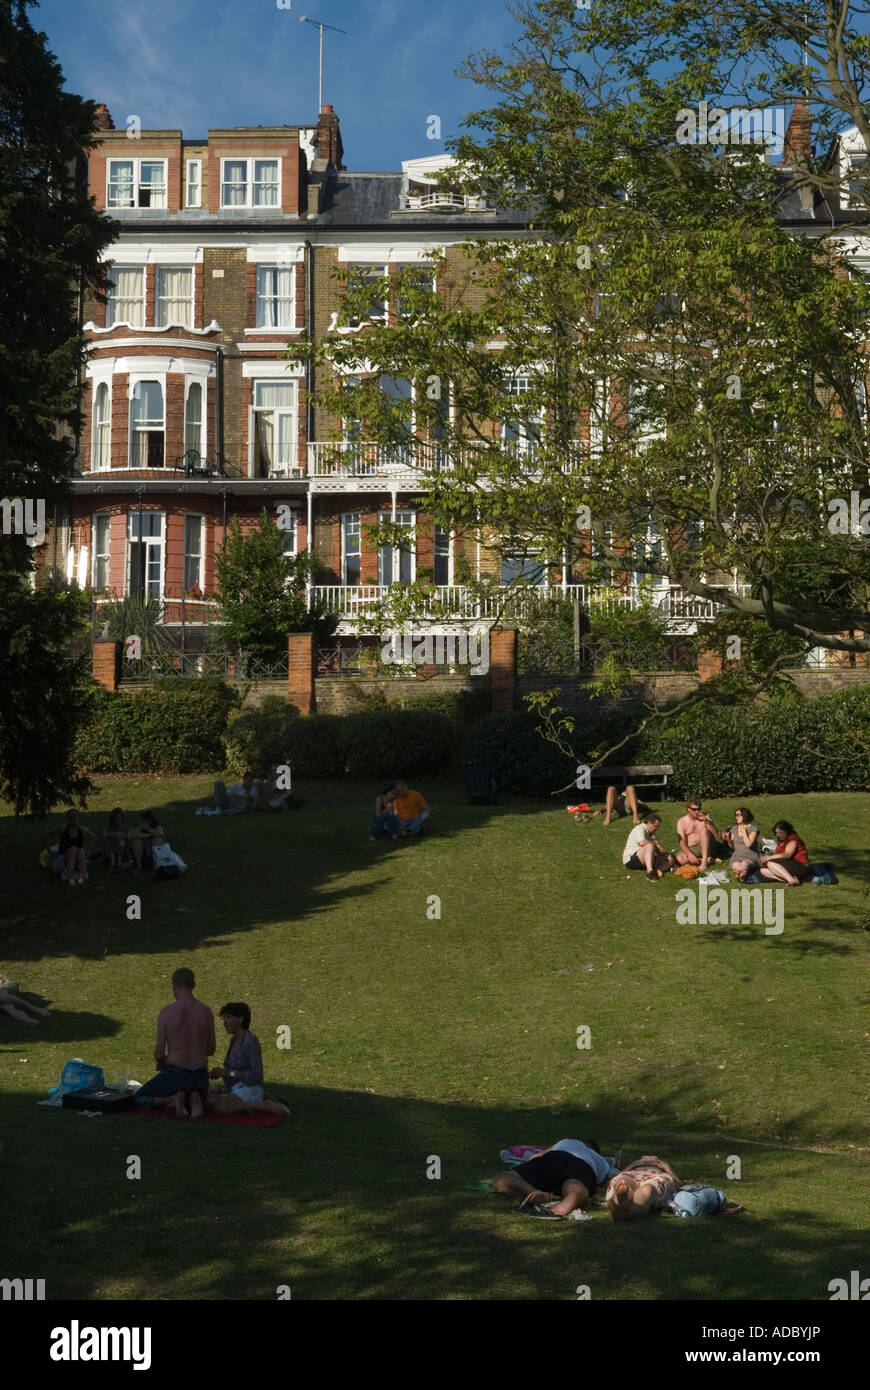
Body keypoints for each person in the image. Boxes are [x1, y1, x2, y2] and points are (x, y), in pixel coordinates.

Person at [134, 967, 215, 1118]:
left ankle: (173, 1098)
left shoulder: (167, 1012)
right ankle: (196, 1098)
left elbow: (158, 1053)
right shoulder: (206, 1011)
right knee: (195, 1089)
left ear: (175, 985)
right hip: (201, 1076)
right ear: (193, 985)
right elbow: (210, 1050)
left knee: (139, 1097)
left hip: (176, 1074)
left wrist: (163, 1062)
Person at [491, 1139, 619, 1219]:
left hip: (556, 1157)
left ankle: (533, 1191)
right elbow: (608, 1177)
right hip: (584, 1165)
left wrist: (529, 1169)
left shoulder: (567, 1141)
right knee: (575, 1187)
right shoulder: (601, 1160)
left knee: (503, 1179)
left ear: (582, 1142)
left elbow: (536, 1156)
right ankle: (565, 1204)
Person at [207, 1002, 290, 1118]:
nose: (224, 1022)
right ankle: (245, 1107)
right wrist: (219, 1073)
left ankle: (263, 1105)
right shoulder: (233, 1040)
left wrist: (227, 1073)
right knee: (209, 1101)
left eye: (228, 1018)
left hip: (250, 1087)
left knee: (221, 1108)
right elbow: (232, 1073)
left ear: (241, 1019)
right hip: (236, 1089)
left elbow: (256, 1075)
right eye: (224, 1018)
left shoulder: (251, 1041)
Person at [605, 1155, 681, 1221]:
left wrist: (665, 1166)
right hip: (633, 1174)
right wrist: (634, 1164)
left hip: (657, 1176)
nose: (649, 1159)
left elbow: (678, 1183)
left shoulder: (663, 1168)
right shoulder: (634, 1166)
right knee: (623, 1181)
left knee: (647, 1188)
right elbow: (618, 1175)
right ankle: (628, 1207)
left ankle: (619, 1208)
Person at [42, 809, 99, 886]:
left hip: (77, 859)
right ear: (67, 819)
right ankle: (71, 878)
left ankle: (81, 878)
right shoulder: (62, 829)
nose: (72, 819)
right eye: (70, 817)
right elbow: (46, 836)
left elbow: (94, 837)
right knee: (73, 849)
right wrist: (50, 852)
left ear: (78, 817)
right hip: (62, 859)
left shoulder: (82, 830)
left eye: (75, 816)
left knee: (81, 850)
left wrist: (88, 851)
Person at [676, 798, 730, 874]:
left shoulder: (706, 816)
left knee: (703, 830)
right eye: (694, 809)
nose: (697, 811)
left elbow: (716, 835)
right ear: (688, 809)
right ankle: (709, 860)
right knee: (680, 859)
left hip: (709, 847)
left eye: (699, 809)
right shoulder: (682, 822)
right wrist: (690, 854)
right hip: (693, 848)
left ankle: (704, 862)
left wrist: (707, 822)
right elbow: (682, 842)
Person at [622, 813, 674, 882]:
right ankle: (650, 873)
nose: (657, 829)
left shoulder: (652, 834)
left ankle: (657, 871)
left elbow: (657, 849)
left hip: (645, 859)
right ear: (649, 823)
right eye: (655, 826)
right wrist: (655, 844)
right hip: (631, 859)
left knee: (670, 858)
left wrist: (663, 853)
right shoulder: (639, 828)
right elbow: (642, 843)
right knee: (649, 846)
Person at [759, 819, 811, 886]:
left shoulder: (793, 839)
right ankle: (793, 880)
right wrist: (768, 855)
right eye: (776, 833)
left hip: (800, 866)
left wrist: (769, 857)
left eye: (780, 833)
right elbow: (779, 854)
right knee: (763, 871)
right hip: (789, 865)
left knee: (770, 863)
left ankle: (790, 880)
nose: (778, 835)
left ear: (786, 831)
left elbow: (787, 854)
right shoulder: (782, 841)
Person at [726, 807, 761, 881]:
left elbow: (749, 844)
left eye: (739, 815)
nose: (737, 817)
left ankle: (740, 873)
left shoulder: (753, 829)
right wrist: (729, 841)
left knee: (744, 864)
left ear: (745, 815)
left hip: (751, 856)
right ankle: (741, 873)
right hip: (737, 856)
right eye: (736, 815)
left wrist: (744, 831)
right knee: (736, 865)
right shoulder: (734, 829)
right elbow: (733, 847)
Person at [130, 809, 165, 873]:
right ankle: (139, 866)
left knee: (157, 840)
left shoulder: (157, 827)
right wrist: (149, 835)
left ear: (149, 821)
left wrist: (148, 829)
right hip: (142, 856)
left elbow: (160, 834)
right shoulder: (140, 829)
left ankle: (156, 866)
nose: (141, 822)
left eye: (143, 821)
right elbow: (134, 835)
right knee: (136, 841)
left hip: (155, 857)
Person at [104, 807, 132, 873]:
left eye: (119, 818)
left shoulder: (126, 829)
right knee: (112, 842)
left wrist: (123, 835)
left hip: (123, 852)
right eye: (115, 818)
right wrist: (113, 834)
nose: (117, 820)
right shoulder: (109, 829)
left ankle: (118, 864)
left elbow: (129, 837)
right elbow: (105, 835)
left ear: (122, 818)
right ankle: (114, 864)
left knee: (121, 842)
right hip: (111, 853)